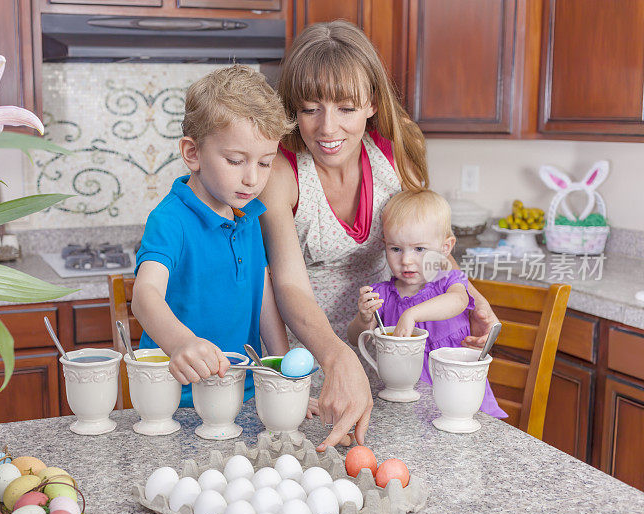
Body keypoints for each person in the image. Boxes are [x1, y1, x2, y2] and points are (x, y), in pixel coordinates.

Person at [259, 21, 500, 450]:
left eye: (346, 108)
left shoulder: (397, 150)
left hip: (395, 360)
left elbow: (426, 243)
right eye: (310, 109)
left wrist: (474, 297)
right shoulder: (282, 170)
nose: (327, 128)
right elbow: (289, 285)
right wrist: (338, 358)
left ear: (371, 102)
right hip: (314, 367)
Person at [131, 65, 293, 408]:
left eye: (265, 163)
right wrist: (181, 343)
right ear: (193, 153)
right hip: (174, 400)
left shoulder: (249, 216)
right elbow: (145, 296)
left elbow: (262, 299)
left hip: (243, 395)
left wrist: (283, 373)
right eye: (236, 161)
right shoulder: (170, 219)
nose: (252, 179)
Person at [346, 190, 507, 418]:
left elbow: (458, 301)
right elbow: (355, 338)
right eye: (395, 249)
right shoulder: (382, 294)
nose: (406, 260)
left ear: (445, 248)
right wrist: (364, 318)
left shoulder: (448, 282)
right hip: (405, 405)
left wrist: (412, 314)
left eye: (419, 249)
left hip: (459, 396)